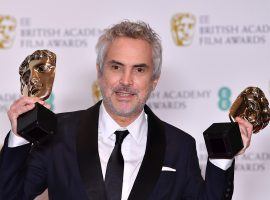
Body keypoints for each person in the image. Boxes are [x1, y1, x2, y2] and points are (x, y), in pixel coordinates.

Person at [0, 20, 252, 200]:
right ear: (100, 73)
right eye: (116, 67)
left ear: (154, 80)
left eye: (139, 69)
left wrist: (222, 156)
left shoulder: (180, 146)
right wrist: (20, 136)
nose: (126, 81)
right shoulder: (57, 134)